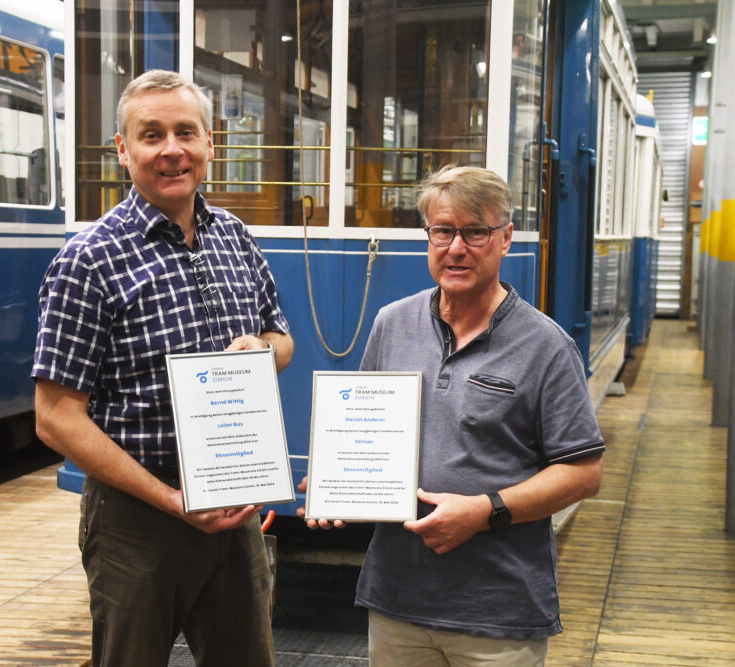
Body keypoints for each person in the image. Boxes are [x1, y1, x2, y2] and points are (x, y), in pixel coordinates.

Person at [32, 69, 293, 667]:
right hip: (137, 520)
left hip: (236, 506)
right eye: (151, 135)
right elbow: (55, 419)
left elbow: (283, 340)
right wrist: (173, 500)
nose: (172, 150)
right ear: (124, 150)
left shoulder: (235, 237)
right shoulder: (89, 260)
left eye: (185, 132)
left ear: (210, 144)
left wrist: (262, 349)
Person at [301, 165, 603, 666]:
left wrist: (485, 512)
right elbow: (364, 435)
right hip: (397, 602)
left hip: (497, 614)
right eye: (443, 231)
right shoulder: (391, 324)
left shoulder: (546, 346)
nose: (456, 247)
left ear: (505, 238)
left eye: (475, 231)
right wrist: (339, 483)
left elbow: (583, 474)